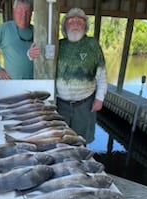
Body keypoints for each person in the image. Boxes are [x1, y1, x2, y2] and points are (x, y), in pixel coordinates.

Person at [56, 8, 107, 144]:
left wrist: (100, 99)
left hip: (85, 105)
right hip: (60, 105)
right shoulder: (58, 45)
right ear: (65, 25)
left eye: (80, 21)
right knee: (60, 141)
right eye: (71, 21)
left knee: (81, 143)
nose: (75, 24)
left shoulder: (93, 45)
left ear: (85, 25)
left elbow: (101, 75)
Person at [0, 0, 41, 79]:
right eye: (20, 11)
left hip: (33, 83)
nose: (24, 15)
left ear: (31, 14)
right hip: (11, 83)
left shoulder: (37, 31)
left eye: (27, 12)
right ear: (14, 12)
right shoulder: (4, 29)